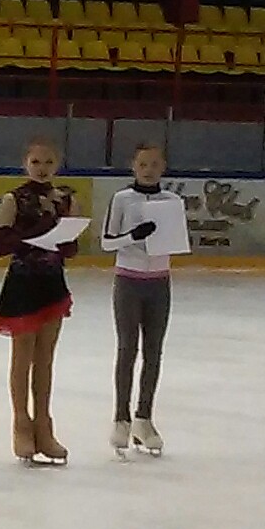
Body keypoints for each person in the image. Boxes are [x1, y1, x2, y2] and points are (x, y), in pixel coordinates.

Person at [0, 137, 79, 465]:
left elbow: (72, 247)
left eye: (49, 162)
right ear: (25, 164)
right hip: (23, 284)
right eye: (36, 162)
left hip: (52, 283)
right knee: (22, 357)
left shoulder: (66, 199)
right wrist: (38, 230)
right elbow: (2, 245)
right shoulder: (13, 199)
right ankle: (21, 424)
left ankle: (44, 426)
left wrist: (65, 238)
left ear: (58, 165)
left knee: (45, 358)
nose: (42, 168)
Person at [101, 143, 182, 457]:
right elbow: (107, 243)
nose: (149, 170)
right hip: (128, 280)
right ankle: (121, 418)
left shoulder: (172, 201)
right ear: (133, 166)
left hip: (159, 282)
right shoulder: (123, 199)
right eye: (143, 164)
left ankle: (144, 418)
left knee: (153, 351)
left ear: (164, 167)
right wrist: (133, 236)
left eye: (155, 164)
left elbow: (177, 239)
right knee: (127, 349)